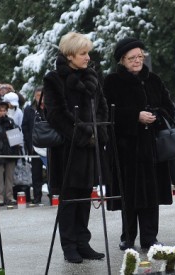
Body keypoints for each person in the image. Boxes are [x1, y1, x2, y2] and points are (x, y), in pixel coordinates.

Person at [43, 32, 108, 263]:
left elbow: (101, 108)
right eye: (83, 53)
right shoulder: (53, 79)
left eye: (88, 52)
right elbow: (55, 114)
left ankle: (83, 242)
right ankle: (69, 245)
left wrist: (98, 132)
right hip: (68, 150)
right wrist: (82, 134)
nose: (88, 57)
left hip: (90, 148)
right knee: (69, 199)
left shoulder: (92, 76)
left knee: (84, 197)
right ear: (70, 55)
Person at [103, 37, 174, 251]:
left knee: (152, 195)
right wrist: (135, 116)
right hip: (126, 149)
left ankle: (150, 237)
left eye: (140, 57)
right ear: (122, 60)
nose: (137, 61)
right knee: (129, 195)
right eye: (132, 58)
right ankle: (128, 236)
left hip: (152, 147)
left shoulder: (153, 79)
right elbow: (108, 112)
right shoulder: (111, 82)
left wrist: (155, 115)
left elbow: (169, 108)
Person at [22, 86, 46, 204]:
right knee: (36, 174)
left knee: (52, 173)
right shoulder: (29, 109)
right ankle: (37, 196)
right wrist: (29, 142)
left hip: (48, 145)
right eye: (38, 96)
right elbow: (25, 127)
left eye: (42, 96)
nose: (40, 98)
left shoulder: (50, 108)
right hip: (34, 146)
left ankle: (54, 195)